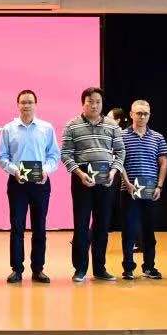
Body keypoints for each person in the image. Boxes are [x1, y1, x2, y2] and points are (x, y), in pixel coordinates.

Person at [60, 87, 125, 282]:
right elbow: (66, 154)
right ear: (83, 103)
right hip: (82, 179)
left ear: (102, 104)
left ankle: (99, 268)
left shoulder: (112, 125)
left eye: (98, 102)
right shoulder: (72, 125)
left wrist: (113, 172)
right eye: (90, 102)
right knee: (81, 225)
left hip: (106, 179)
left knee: (102, 225)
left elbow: (120, 152)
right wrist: (79, 173)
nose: (94, 105)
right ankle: (80, 269)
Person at [0, 89, 60, 284]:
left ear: (35, 105)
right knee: (17, 227)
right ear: (18, 105)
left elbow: (54, 155)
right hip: (17, 184)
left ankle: (38, 269)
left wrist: (46, 171)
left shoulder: (46, 128)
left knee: (39, 227)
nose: (26, 105)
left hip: (41, 183)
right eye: (23, 102)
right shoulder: (8, 129)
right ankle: (16, 269)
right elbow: (1, 156)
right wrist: (14, 170)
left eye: (30, 102)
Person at [119, 99, 167, 280]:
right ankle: (128, 268)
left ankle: (149, 267)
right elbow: (118, 162)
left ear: (149, 115)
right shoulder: (121, 136)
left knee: (149, 231)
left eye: (145, 113)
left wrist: (159, 186)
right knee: (129, 231)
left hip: (150, 191)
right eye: (139, 113)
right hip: (129, 191)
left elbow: (163, 163)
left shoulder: (158, 137)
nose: (142, 116)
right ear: (131, 114)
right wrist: (127, 182)